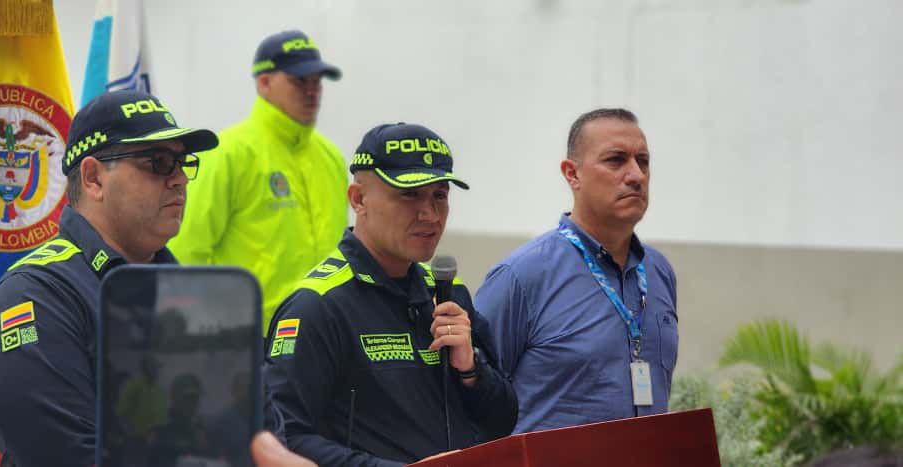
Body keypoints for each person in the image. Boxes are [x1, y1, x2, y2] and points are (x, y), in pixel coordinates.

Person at [0, 89, 219, 466]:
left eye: (182, 163)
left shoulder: (191, 296)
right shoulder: (34, 298)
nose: (180, 179)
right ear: (94, 178)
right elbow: (66, 457)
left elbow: (252, 422)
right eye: (158, 163)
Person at [263, 123, 517, 466]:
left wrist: (471, 371)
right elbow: (285, 441)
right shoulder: (317, 305)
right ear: (358, 199)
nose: (430, 214)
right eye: (409, 194)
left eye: (439, 195)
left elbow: (502, 422)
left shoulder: (447, 294)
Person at [475, 108, 679, 433]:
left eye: (643, 161)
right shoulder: (521, 275)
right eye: (616, 160)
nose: (636, 175)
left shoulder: (659, 272)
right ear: (573, 174)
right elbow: (473, 402)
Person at [169, 30, 348, 335]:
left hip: (326, 336)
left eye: (317, 82)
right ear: (263, 82)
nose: (312, 91)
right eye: (299, 81)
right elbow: (186, 249)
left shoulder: (331, 157)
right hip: (248, 337)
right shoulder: (228, 152)